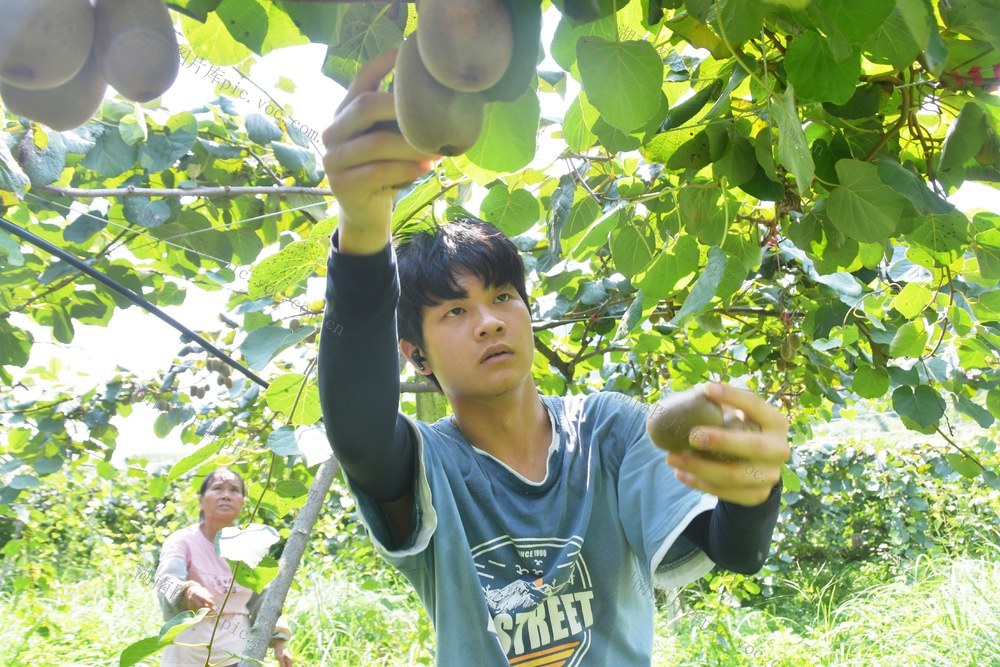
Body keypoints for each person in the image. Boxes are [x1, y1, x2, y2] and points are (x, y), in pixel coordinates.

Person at [317, 48, 790, 665]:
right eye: (454, 312)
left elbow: (735, 550)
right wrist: (360, 233)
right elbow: (359, 432)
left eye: (503, 297)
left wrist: (755, 486)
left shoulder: (611, 430)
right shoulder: (430, 465)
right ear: (416, 357)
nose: (489, 321)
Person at [154, 467, 294, 667]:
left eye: (234, 490)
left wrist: (279, 642)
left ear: (244, 503)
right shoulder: (182, 541)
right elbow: (166, 580)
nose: (226, 495)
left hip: (239, 655)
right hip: (188, 655)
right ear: (200, 501)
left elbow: (263, 599)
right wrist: (187, 592)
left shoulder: (250, 547)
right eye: (218, 488)